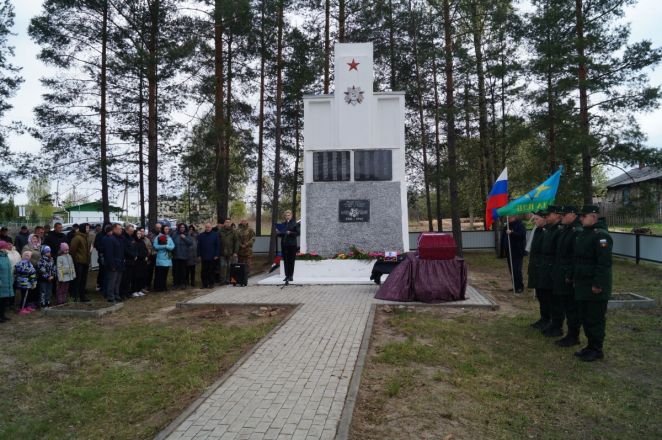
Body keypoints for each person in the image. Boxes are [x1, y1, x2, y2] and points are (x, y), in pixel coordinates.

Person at [572, 205, 613, 362]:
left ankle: (596, 349)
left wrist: (598, 284)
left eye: (584, 216)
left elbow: (604, 264)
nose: (580, 218)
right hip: (583, 283)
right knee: (585, 316)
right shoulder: (585, 234)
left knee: (595, 318)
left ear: (594, 217)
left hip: (594, 285)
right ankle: (590, 346)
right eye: (580, 216)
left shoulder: (601, 236)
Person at [552, 206, 583, 347]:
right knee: (563, 303)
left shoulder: (577, 232)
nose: (561, 217)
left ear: (572, 214)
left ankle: (573, 335)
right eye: (560, 214)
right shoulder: (566, 230)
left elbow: (575, 257)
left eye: (563, 215)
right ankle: (567, 333)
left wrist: (570, 275)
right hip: (561, 272)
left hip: (568, 275)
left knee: (571, 307)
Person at [538, 205, 563, 337]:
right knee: (547, 297)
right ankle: (550, 322)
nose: (546, 217)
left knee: (555, 300)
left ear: (557, 214)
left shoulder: (559, 230)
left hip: (554, 268)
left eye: (548, 215)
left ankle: (556, 325)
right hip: (546, 267)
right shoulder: (549, 230)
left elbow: (559, 253)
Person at [527, 210, 548, 329]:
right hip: (536, 267)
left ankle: (548, 320)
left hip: (544, 268)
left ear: (545, 218)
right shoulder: (538, 230)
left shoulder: (548, 231)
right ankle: (543, 318)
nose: (535, 221)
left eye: (537, 219)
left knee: (546, 296)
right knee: (540, 295)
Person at [500, 215, 526, 293]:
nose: (508, 218)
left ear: (514, 217)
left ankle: (520, 287)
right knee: (511, 269)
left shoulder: (520, 225)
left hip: (517, 251)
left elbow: (522, 236)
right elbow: (503, 237)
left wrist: (512, 233)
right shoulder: (507, 225)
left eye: (510, 217)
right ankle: (515, 286)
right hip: (509, 251)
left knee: (516, 270)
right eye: (507, 217)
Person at [102, 224, 124, 302]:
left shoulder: (120, 238)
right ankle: (110, 296)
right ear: (114, 229)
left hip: (119, 263)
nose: (121, 230)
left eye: (121, 229)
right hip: (113, 263)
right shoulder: (110, 239)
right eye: (119, 229)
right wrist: (112, 265)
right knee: (112, 281)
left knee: (117, 281)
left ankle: (116, 295)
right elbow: (109, 253)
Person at [70, 223, 91, 302]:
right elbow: (72, 250)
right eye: (87, 228)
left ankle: (82, 296)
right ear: (83, 229)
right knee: (77, 280)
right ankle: (74, 296)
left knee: (83, 280)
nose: (88, 230)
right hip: (78, 262)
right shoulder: (77, 238)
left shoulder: (86, 237)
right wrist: (75, 260)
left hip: (85, 261)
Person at [278, 210, 300, 283]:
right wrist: (279, 232)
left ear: (291, 216)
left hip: (292, 245)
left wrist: (290, 232)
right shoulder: (283, 224)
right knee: (286, 261)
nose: (287, 216)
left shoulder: (294, 223)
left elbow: (297, 233)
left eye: (288, 215)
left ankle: (291, 276)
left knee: (291, 261)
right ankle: (286, 276)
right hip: (284, 244)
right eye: (286, 215)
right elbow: (280, 235)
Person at [197, 223, 220, 288]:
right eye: (206, 227)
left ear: (211, 228)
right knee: (204, 271)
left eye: (209, 227)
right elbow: (199, 246)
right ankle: (204, 284)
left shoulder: (215, 235)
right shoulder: (201, 235)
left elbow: (217, 246)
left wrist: (216, 255)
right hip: (204, 256)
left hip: (212, 256)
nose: (207, 228)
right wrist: (198, 255)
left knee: (211, 271)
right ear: (205, 227)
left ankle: (211, 283)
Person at [153, 225, 175, 292]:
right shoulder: (158, 237)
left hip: (167, 258)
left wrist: (167, 247)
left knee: (165, 274)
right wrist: (164, 246)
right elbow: (155, 246)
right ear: (163, 229)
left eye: (168, 229)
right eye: (165, 229)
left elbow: (173, 246)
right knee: (159, 274)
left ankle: (164, 287)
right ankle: (158, 287)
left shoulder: (169, 238)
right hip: (160, 258)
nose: (167, 230)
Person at [172, 223, 192, 289]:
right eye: (181, 227)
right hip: (176, 255)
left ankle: (183, 283)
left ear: (185, 228)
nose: (182, 228)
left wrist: (184, 238)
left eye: (183, 227)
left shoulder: (187, 234)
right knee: (175, 271)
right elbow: (171, 242)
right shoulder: (175, 234)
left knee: (183, 271)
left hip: (184, 256)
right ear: (179, 228)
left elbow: (190, 243)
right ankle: (175, 284)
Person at [218, 219, 239, 285]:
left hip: (231, 253)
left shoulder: (233, 231)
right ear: (224, 223)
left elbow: (236, 242)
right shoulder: (220, 231)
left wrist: (235, 252)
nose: (227, 223)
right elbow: (217, 242)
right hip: (222, 252)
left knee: (230, 267)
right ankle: (222, 280)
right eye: (226, 222)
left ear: (230, 224)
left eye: (229, 222)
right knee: (222, 266)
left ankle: (228, 280)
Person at [120, 225, 137, 299]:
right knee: (124, 278)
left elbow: (135, 247)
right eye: (131, 231)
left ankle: (127, 292)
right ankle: (123, 293)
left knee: (129, 277)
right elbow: (125, 249)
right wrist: (133, 255)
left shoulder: (132, 238)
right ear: (127, 230)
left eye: (133, 231)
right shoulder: (123, 238)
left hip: (132, 260)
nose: (132, 232)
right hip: (126, 260)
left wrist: (136, 254)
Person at [131, 227, 149, 297]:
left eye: (139, 233)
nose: (139, 235)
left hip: (143, 261)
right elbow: (135, 252)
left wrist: (146, 256)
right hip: (137, 262)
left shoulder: (142, 241)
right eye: (137, 233)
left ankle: (139, 289)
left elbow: (145, 250)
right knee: (135, 276)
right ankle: (134, 290)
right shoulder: (133, 242)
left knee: (141, 276)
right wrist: (140, 256)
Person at [0, 241, 15, 322]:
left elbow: (9, 270)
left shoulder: (6, 257)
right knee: (0, 301)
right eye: (5, 248)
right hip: (1, 283)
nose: (6, 249)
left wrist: (11, 279)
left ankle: (3, 315)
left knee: (4, 301)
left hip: (7, 282)